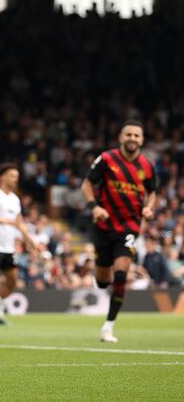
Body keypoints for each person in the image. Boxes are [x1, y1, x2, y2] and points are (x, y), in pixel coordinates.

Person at [81, 120, 156, 343]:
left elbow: (152, 193)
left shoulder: (147, 166)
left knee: (122, 272)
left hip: (129, 227)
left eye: (137, 135)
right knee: (104, 280)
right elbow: (87, 184)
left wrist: (149, 208)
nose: (133, 139)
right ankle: (102, 277)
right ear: (121, 137)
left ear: (142, 140)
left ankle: (108, 326)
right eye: (129, 135)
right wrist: (94, 207)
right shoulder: (107, 159)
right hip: (103, 226)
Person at [0, 164, 36, 326]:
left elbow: (19, 223)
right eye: (12, 176)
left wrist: (30, 241)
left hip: (8, 246)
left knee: (12, 280)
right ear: (2, 177)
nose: (15, 180)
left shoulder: (15, 199)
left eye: (16, 177)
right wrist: (7, 221)